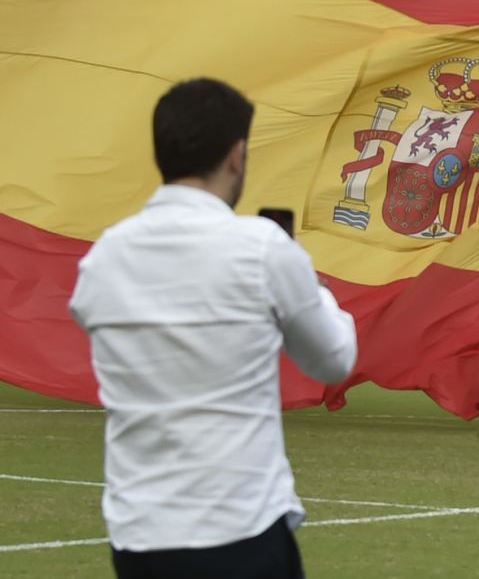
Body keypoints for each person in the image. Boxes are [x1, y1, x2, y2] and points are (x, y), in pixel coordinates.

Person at [69, 79, 357, 577]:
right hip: (238, 525)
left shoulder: (106, 256)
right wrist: (315, 290)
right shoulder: (261, 247)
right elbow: (332, 359)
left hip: (140, 532)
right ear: (237, 156)